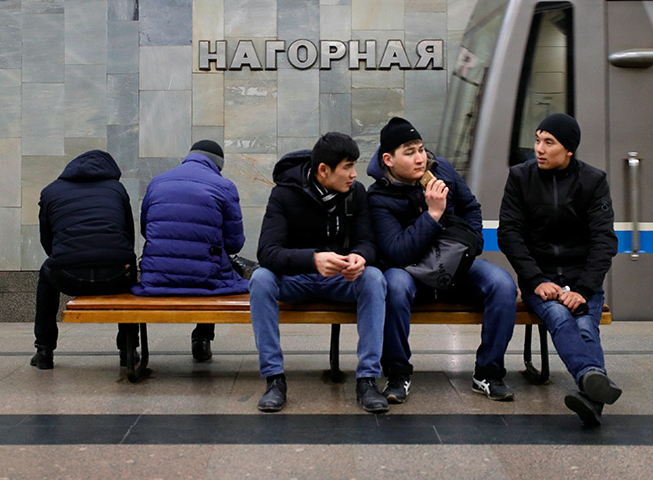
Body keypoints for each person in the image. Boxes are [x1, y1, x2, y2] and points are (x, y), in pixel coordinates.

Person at [366, 117, 519, 404]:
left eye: (421, 149)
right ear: (388, 159)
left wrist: (472, 244)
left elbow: (471, 207)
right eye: (409, 152)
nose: (420, 158)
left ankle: (488, 372)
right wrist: (433, 215)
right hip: (410, 270)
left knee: (502, 285)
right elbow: (396, 252)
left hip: (456, 264)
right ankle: (398, 373)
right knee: (393, 286)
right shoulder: (378, 197)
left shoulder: (442, 171)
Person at [497, 113, 622, 426]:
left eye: (548, 142)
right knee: (559, 315)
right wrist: (537, 280)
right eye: (537, 139)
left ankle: (591, 396)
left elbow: (604, 240)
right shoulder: (520, 177)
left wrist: (583, 289)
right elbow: (509, 234)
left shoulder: (593, 182)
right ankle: (591, 379)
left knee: (584, 324)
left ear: (569, 150)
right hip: (541, 279)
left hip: (583, 279)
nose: (538, 148)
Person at [249, 132, 389, 413]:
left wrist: (359, 258)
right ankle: (274, 379)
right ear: (323, 170)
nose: (354, 174)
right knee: (260, 279)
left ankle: (368, 380)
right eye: (347, 167)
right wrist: (312, 260)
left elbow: (368, 241)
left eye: (354, 165)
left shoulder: (356, 193)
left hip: (341, 280)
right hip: (296, 280)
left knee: (374, 278)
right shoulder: (284, 193)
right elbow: (266, 252)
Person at [134, 140, 253, 363]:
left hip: (156, 276)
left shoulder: (157, 182)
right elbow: (235, 243)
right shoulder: (223, 186)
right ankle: (202, 336)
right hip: (204, 278)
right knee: (215, 264)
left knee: (207, 260)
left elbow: (145, 230)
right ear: (218, 165)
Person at [34, 149, 138, 371]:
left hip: (68, 277)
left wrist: (67, 260)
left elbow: (47, 240)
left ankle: (44, 350)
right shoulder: (117, 189)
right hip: (116, 275)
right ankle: (128, 349)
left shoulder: (51, 191)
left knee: (46, 272)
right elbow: (128, 236)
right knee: (130, 271)